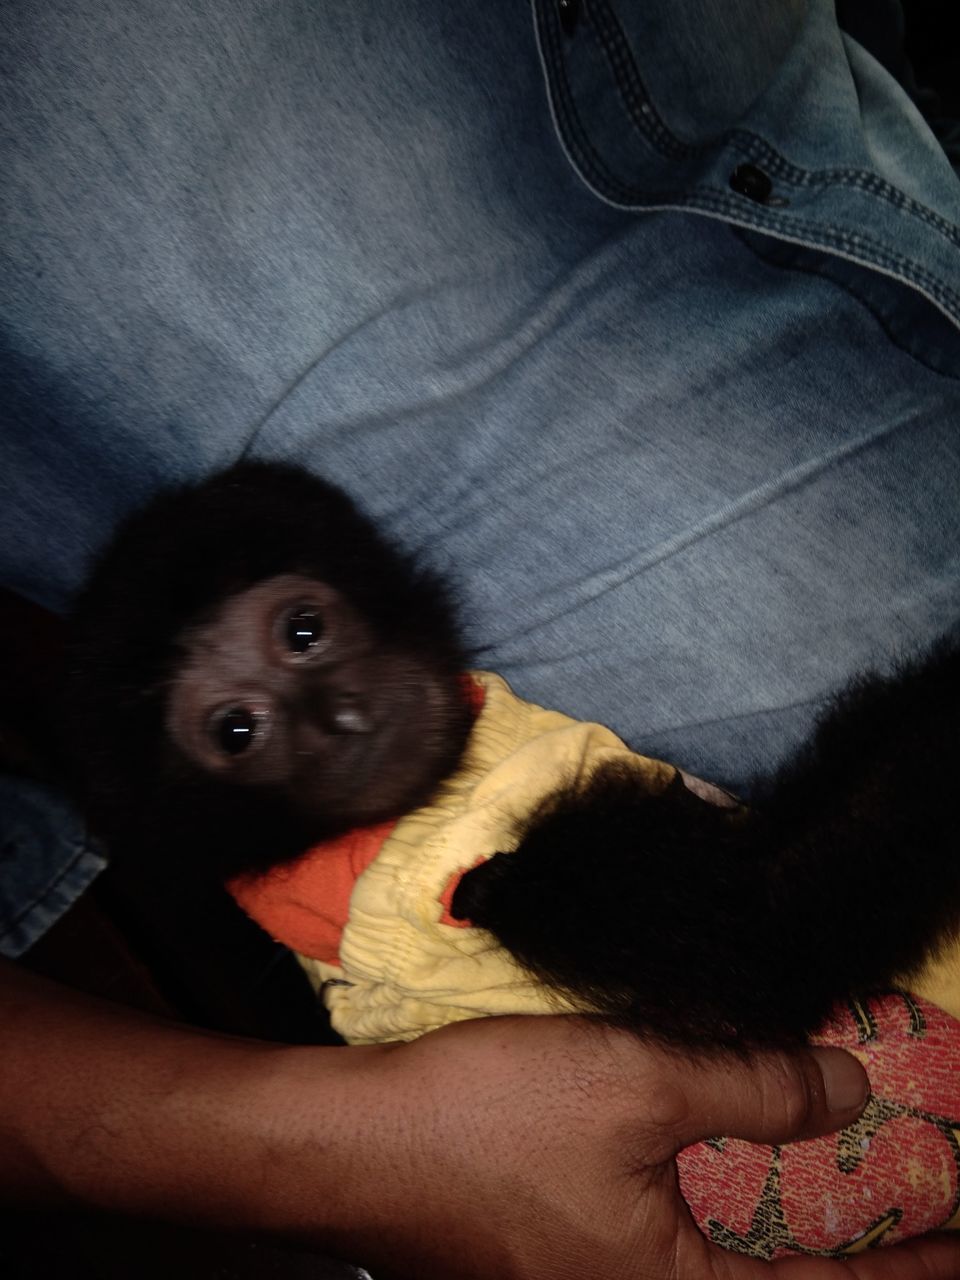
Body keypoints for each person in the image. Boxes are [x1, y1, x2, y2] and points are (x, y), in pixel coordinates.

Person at [1, 0, 958, 1275]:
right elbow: (777, 939)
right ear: (191, 810)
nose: (330, 709)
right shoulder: (474, 871)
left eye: (302, 632)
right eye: (236, 730)